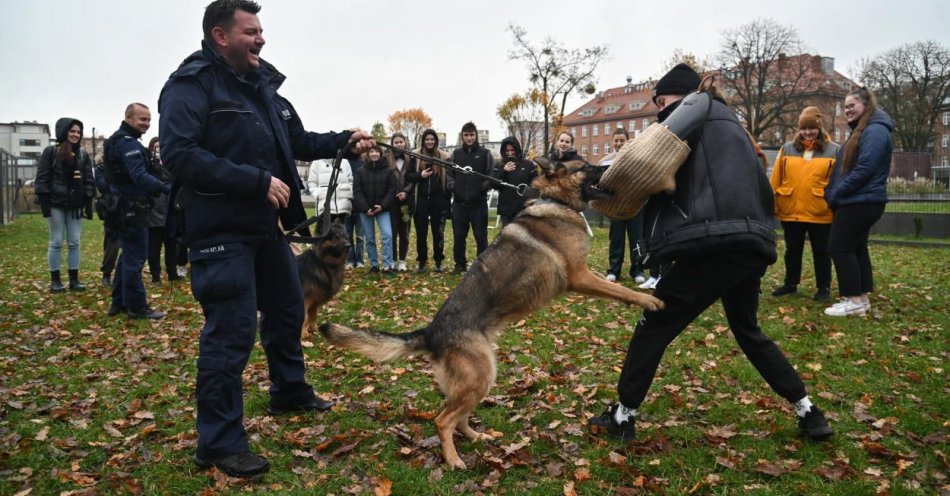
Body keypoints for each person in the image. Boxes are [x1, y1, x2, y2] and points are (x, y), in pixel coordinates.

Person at [158, 0, 374, 478]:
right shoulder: (189, 86)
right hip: (220, 230)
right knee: (230, 334)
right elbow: (179, 155)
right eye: (251, 31)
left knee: (287, 310)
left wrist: (342, 139)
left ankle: (289, 392)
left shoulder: (265, 89)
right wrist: (255, 181)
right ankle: (218, 444)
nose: (261, 39)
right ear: (220, 35)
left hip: (267, 231)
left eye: (261, 31)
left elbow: (296, 142)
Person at [588, 63, 832, 443]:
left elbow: (640, 163)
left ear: (681, 95)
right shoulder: (732, 123)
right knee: (748, 330)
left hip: (714, 244)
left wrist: (592, 183)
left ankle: (623, 416)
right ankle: (808, 410)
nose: (658, 109)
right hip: (751, 243)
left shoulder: (689, 114)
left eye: (662, 101)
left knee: (654, 325)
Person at [823, 87, 893, 317]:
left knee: (839, 247)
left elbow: (865, 168)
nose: (847, 110)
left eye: (852, 106)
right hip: (859, 200)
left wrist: (837, 193)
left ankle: (852, 300)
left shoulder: (874, 131)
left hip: (860, 201)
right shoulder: (866, 130)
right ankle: (861, 299)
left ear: (866, 105)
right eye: (845, 107)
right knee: (856, 248)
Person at [105, 103, 169, 319]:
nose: (147, 124)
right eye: (142, 119)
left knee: (128, 256)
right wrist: (164, 188)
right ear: (128, 118)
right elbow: (139, 176)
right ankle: (137, 307)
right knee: (136, 258)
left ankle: (119, 302)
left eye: (149, 120)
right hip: (131, 207)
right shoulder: (127, 143)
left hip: (123, 207)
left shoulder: (118, 141)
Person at [770, 107, 839, 302]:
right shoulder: (787, 148)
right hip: (791, 209)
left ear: (819, 128)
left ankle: (823, 287)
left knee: (822, 251)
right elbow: (776, 178)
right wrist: (772, 203)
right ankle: (790, 284)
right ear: (799, 129)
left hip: (821, 210)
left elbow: (838, 181)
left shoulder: (833, 150)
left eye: (812, 128)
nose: (808, 132)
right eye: (804, 128)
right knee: (793, 250)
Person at [35, 117, 95, 292]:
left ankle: (74, 280)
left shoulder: (83, 155)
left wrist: (88, 201)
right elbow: (42, 178)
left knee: (75, 242)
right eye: (72, 131)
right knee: (56, 242)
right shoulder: (50, 152)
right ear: (63, 132)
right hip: (55, 204)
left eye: (78, 131)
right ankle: (55, 281)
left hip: (76, 206)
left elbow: (89, 180)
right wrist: (44, 202)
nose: (75, 134)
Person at [599, 128, 645, 284]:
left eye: (622, 140)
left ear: (627, 141)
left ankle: (637, 270)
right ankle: (613, 271)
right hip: (616, 206)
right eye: (616, 140)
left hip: (635, 204)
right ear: (612, 141)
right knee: (616, 239)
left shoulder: (637, 158)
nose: (619, 143)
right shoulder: (605, 161)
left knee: (636, 239)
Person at [449, 122, 494, 274]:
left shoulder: (485, 154)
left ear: (476, 136)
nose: (469, 138)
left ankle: (482, 265)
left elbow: (491, 175)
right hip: (459, 204)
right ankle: (460, 264)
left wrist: (482, 188)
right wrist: (454, 187)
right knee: (459, 236)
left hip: (478, 203)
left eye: (471, 135)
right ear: (462, 136)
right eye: (466, 135)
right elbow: (449, 175)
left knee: (481, 236)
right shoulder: (456, 154)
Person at [407, 128, 452, 273]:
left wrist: (446, 200)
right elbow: (409, 176)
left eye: (432, 139)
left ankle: (439, 261)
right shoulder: (415, 155)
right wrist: (421, 175)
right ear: (423, 141)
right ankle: (422, 261)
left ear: (436, 141)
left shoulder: (444, 157)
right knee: (421, 232)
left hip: (438, 200)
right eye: (427, 139)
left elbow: (448, 179)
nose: (429, 142)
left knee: (438, 232)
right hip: (421, 200)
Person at [353, 146, 397, 273]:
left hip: (382, 209)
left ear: (381, 153)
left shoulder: (388, 171)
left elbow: (391, 190)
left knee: (387, 236)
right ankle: (374, 265)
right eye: (371, 151)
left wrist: (382, 205)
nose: (374, 154)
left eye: (377, 151)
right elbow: (357, 191)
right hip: (366, 210)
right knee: (369, 238)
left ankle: (388, 265)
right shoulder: (360, 171)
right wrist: (365, 208)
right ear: (367, 154)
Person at [145, 137, 178, 283]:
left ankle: (172, 272)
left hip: (170, 207)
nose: (158, 151)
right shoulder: (149, 166)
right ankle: (155, 274)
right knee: (155, 244)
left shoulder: (171, 163)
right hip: (155, 208)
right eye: (155, 148)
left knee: (171, 242)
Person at [385, 133, 415, 271]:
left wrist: (406, 192)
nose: (399, 144)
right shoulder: (386, 159)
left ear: (405, 142)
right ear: (392, 143)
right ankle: (393, 259)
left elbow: (412, 179)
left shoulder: (411, 159)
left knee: (405, 232)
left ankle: (402, 260)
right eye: (396, 142)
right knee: (392, 232)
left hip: (405, 204)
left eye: (401, 142)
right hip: (391, 203)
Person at [491, 136, 536, 226]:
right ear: (503, 152)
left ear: (517, 149)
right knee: (508, 238)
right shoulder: (498, 166)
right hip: (506, 210)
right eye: (507, 151)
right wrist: (504, 171)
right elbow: (494, 184)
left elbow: (535, 185)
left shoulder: (528, 165)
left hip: (524, 210)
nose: (510, 153)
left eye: (512, 150)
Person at [94, 160, 120, 287]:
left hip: (125, 202)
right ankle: (107, 273)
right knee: (112, 243)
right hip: (111, 207)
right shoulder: (101, 167)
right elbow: (102, 186)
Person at [307, 157, 353, 225]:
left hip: (343, 207)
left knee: (340, 233)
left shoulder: (345, 161)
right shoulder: (316, 163)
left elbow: (350, 181)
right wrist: (318, 195)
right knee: (324, 233)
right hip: (324, 207)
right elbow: (312, 183)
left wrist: (349, 193)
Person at [344, 155, 366, 269]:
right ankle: (350, 260)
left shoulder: (364, 162)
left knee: (360, 236)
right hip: (346, 204)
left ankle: (360, 260)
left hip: (360, 205)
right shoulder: (344, 162)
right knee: (347, 235)